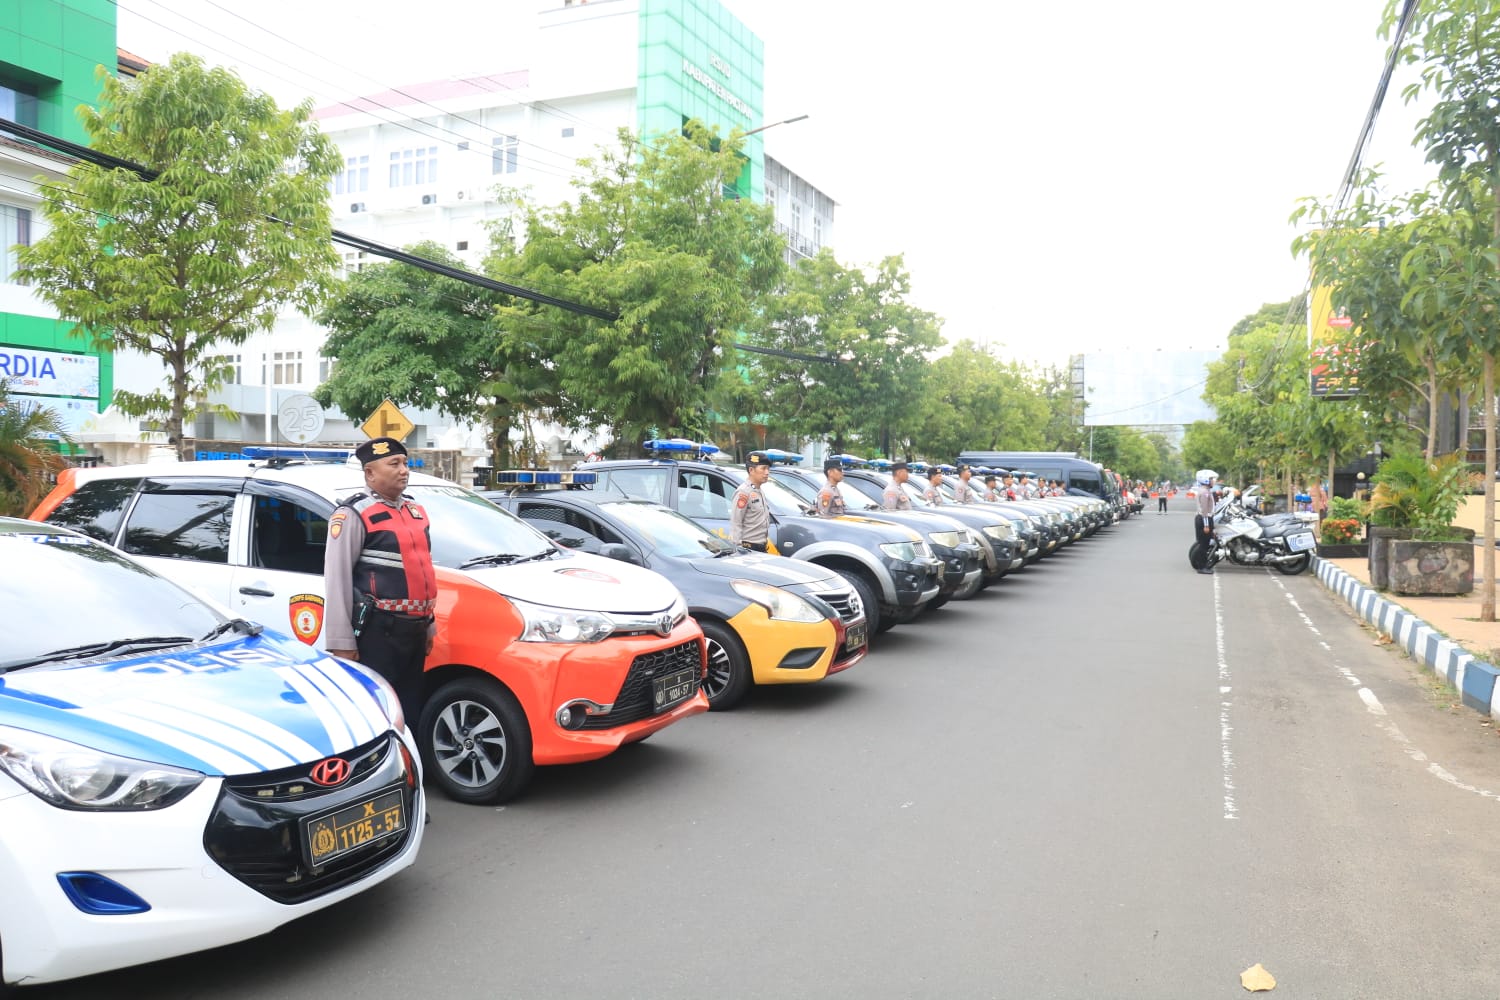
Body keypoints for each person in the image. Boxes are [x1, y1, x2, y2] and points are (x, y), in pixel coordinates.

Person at [324, 436, 438, 719]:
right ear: (370, 473)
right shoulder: (353, 514)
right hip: (379, 632)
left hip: (415, 630)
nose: (404, 470)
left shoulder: (415, 511)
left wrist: (430, 624)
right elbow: (336, 578)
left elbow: (424, 568)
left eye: (405, 463)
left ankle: (408, 762)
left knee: (409, 709)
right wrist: (342, 642)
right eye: (394, 464)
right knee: (378, 710)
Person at [731, 452, 774, 551]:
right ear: (751, 470)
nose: (767, 472)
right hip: (748, 548)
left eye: (768, 468)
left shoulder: (759, 491)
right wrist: (738, 549)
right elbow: (736, 522)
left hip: (761, 546)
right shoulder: (744, 492)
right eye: (763, 468)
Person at [1191, 469, 1217, 574]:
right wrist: (1206, 525)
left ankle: (1203, 565)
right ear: (1205, 480)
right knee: (1204, 545)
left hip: (1202, 518)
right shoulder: (1205, 492)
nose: (1213, 481)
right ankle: (1202, 567)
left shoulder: (1203, 490)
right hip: (1204, 519)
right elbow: (1205, 510)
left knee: (1204, 543)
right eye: (1211, 479)